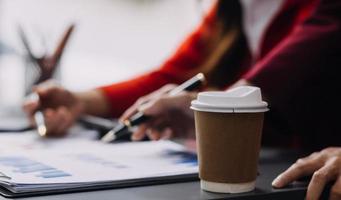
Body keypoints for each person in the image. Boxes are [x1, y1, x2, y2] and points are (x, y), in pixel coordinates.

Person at [24, 0, 341, 198]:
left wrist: (205, 104)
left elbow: (272, 79)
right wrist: (79, 100)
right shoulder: (233, 9)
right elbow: (171, 78)